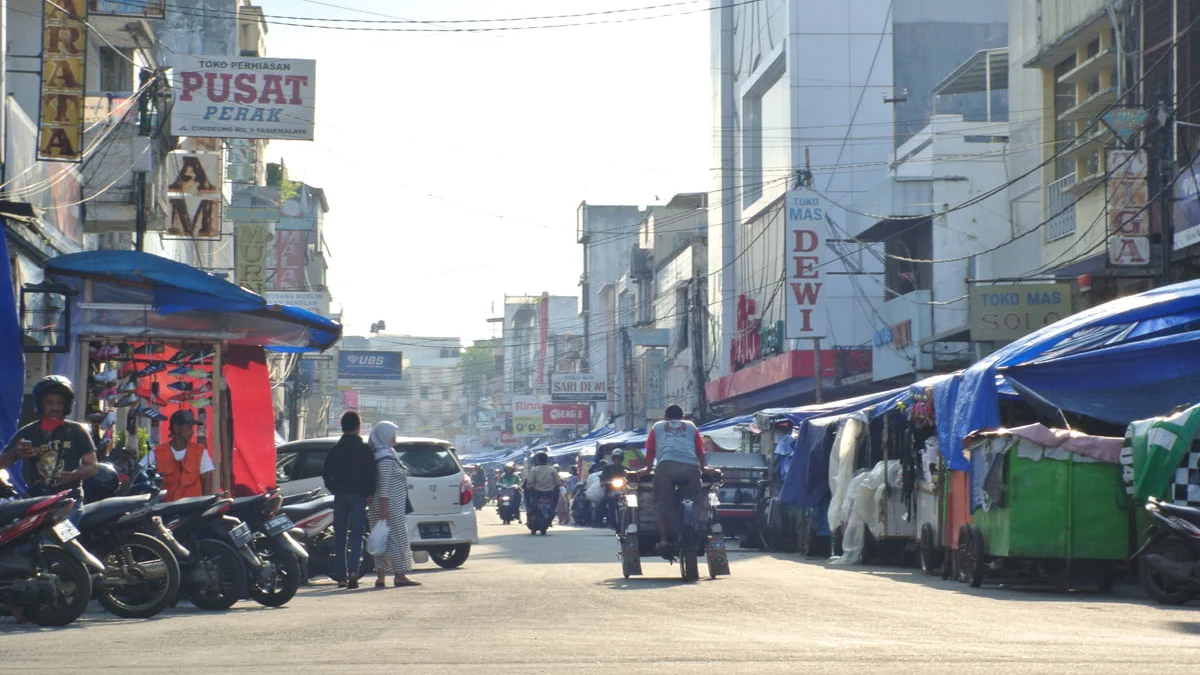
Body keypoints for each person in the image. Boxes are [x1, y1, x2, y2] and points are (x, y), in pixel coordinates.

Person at [0, 376, 99, 520]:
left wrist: (74, 475)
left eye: (60, 403)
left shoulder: (76, 431)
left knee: (58, 541)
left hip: (68, 501)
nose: (55, 407)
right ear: (40, 404)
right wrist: (16, 453)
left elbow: (93, 466)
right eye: (50, 402)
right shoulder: (27, 433)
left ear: (66, 405)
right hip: (35, 502)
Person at [640, 404, 707, 554]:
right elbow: (700, 451)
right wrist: (703, 469)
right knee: (695, 500)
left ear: (665, 417)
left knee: (663, 503)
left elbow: (650, 450)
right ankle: (693, 528)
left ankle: (663, 540)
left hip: (666, 467)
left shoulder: (657, 426)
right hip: (690, 467)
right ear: (683, 417)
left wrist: (648, 469)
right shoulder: (690, 426)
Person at [321, 411, 376, 589]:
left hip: (340, 496)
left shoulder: (335, 450)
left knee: (340, 537)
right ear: (358, 427)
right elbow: (371, 473)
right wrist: (369, 492)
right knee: (357, 535)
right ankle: (354, 572)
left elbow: (326, 474)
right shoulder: (365, 450)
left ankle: (341, 577)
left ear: (342, 427)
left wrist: (335, 489)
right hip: (359, 496)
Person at [367, 421, 419, 588]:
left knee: (381, 539)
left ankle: (381, 577)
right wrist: (384, 507)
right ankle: (400, 576)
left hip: (384, 504)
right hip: (389, 505)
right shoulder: (385, 458)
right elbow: (384, 484)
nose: (394, 437)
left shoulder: (386, 454)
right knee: (396, 540)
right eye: (392, 434)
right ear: (385, 436)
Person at [145, 409, 215, 502]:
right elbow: (140, 474)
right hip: (165, 511)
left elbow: (207, 483)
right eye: (188, 427)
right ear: (176, 428)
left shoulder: (200, 452)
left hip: (193, 510)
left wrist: (206, 506)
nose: (191, 432)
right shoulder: (157, 453)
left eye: (192, 427)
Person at [522, 451, 561, 518]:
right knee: (557, 490)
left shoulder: (534, 470)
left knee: (526, 492)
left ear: (537, 460)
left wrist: (528, 487)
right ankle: (553, 508)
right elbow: (557, 483)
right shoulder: (552, 470)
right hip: (550, 493)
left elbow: (530, 483)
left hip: (536, 493)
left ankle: (529, 508)